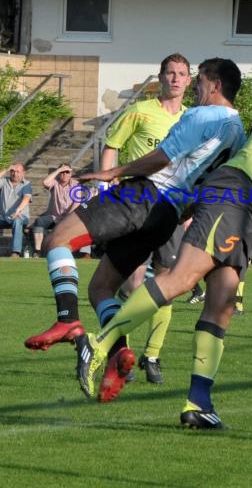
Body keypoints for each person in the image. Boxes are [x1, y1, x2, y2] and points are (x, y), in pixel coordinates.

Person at [76, 76, 252, 429]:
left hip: (246, 203)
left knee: (223, 302)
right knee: (182, 278)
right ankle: (99, 342)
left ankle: (198, 403)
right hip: (232, 193)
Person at [24, 56, 247, 373]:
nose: (195, 86)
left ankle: (67, 321)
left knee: (56, 240)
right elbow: (214, 186)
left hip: (143, 195)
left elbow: (159, 158)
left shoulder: (201, 116)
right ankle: (118, 354)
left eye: (198, 80)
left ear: (216, 85)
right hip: (166, 217)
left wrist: (112, 172)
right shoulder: (238, 134)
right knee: (100, 288)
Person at [97, 52, 194, 384]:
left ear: (189, 80)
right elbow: (112, 145)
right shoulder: (139, 111)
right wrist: (106, 184)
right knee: (133, 284)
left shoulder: (191, 119)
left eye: (182, 73)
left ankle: (151, 356)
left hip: (171, 208)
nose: (175, 78)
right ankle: (122, 351)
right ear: (161, 77)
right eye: (170, 72)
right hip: (135, 205)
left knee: (167, 283)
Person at [31, 163, 79, 257]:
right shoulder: (55, 183)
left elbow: (76, 204)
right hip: (55, 217)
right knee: (39, 221)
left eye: (67, 172)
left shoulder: (76, 184)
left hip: (69, 218)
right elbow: (45, 182)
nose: (65, 174)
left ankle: (79, 253)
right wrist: (58, 170)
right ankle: (38, 251)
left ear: (71, 174)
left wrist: (67, 218)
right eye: (62, 172)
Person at [0, 163, 32, 258]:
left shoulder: (26, 184)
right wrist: (6, 169)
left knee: (17, 221)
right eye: (12, 171)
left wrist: (18, 210)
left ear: (23, 173)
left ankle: (16, 252)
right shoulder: (4, 181)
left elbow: (26, 198)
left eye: (18, 171)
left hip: (20, 216)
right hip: (4, 217)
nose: (15, 173)